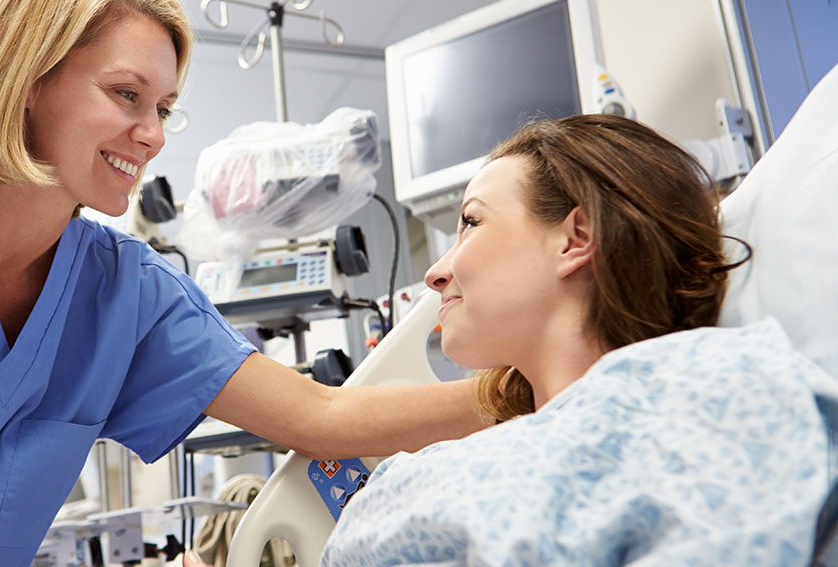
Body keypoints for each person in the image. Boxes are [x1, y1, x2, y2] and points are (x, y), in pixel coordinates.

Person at [0, 0, 492, 565]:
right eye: (126, 95)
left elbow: (324, 416)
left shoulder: (124, 293)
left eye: (166, 107)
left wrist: (537, 385)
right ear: (28, 81)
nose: (153, 135)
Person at [311, 114, 836, 565]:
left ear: (575, 239)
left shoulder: (716, 391)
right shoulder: (449, 470)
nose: (435, 273)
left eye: (471, 221)